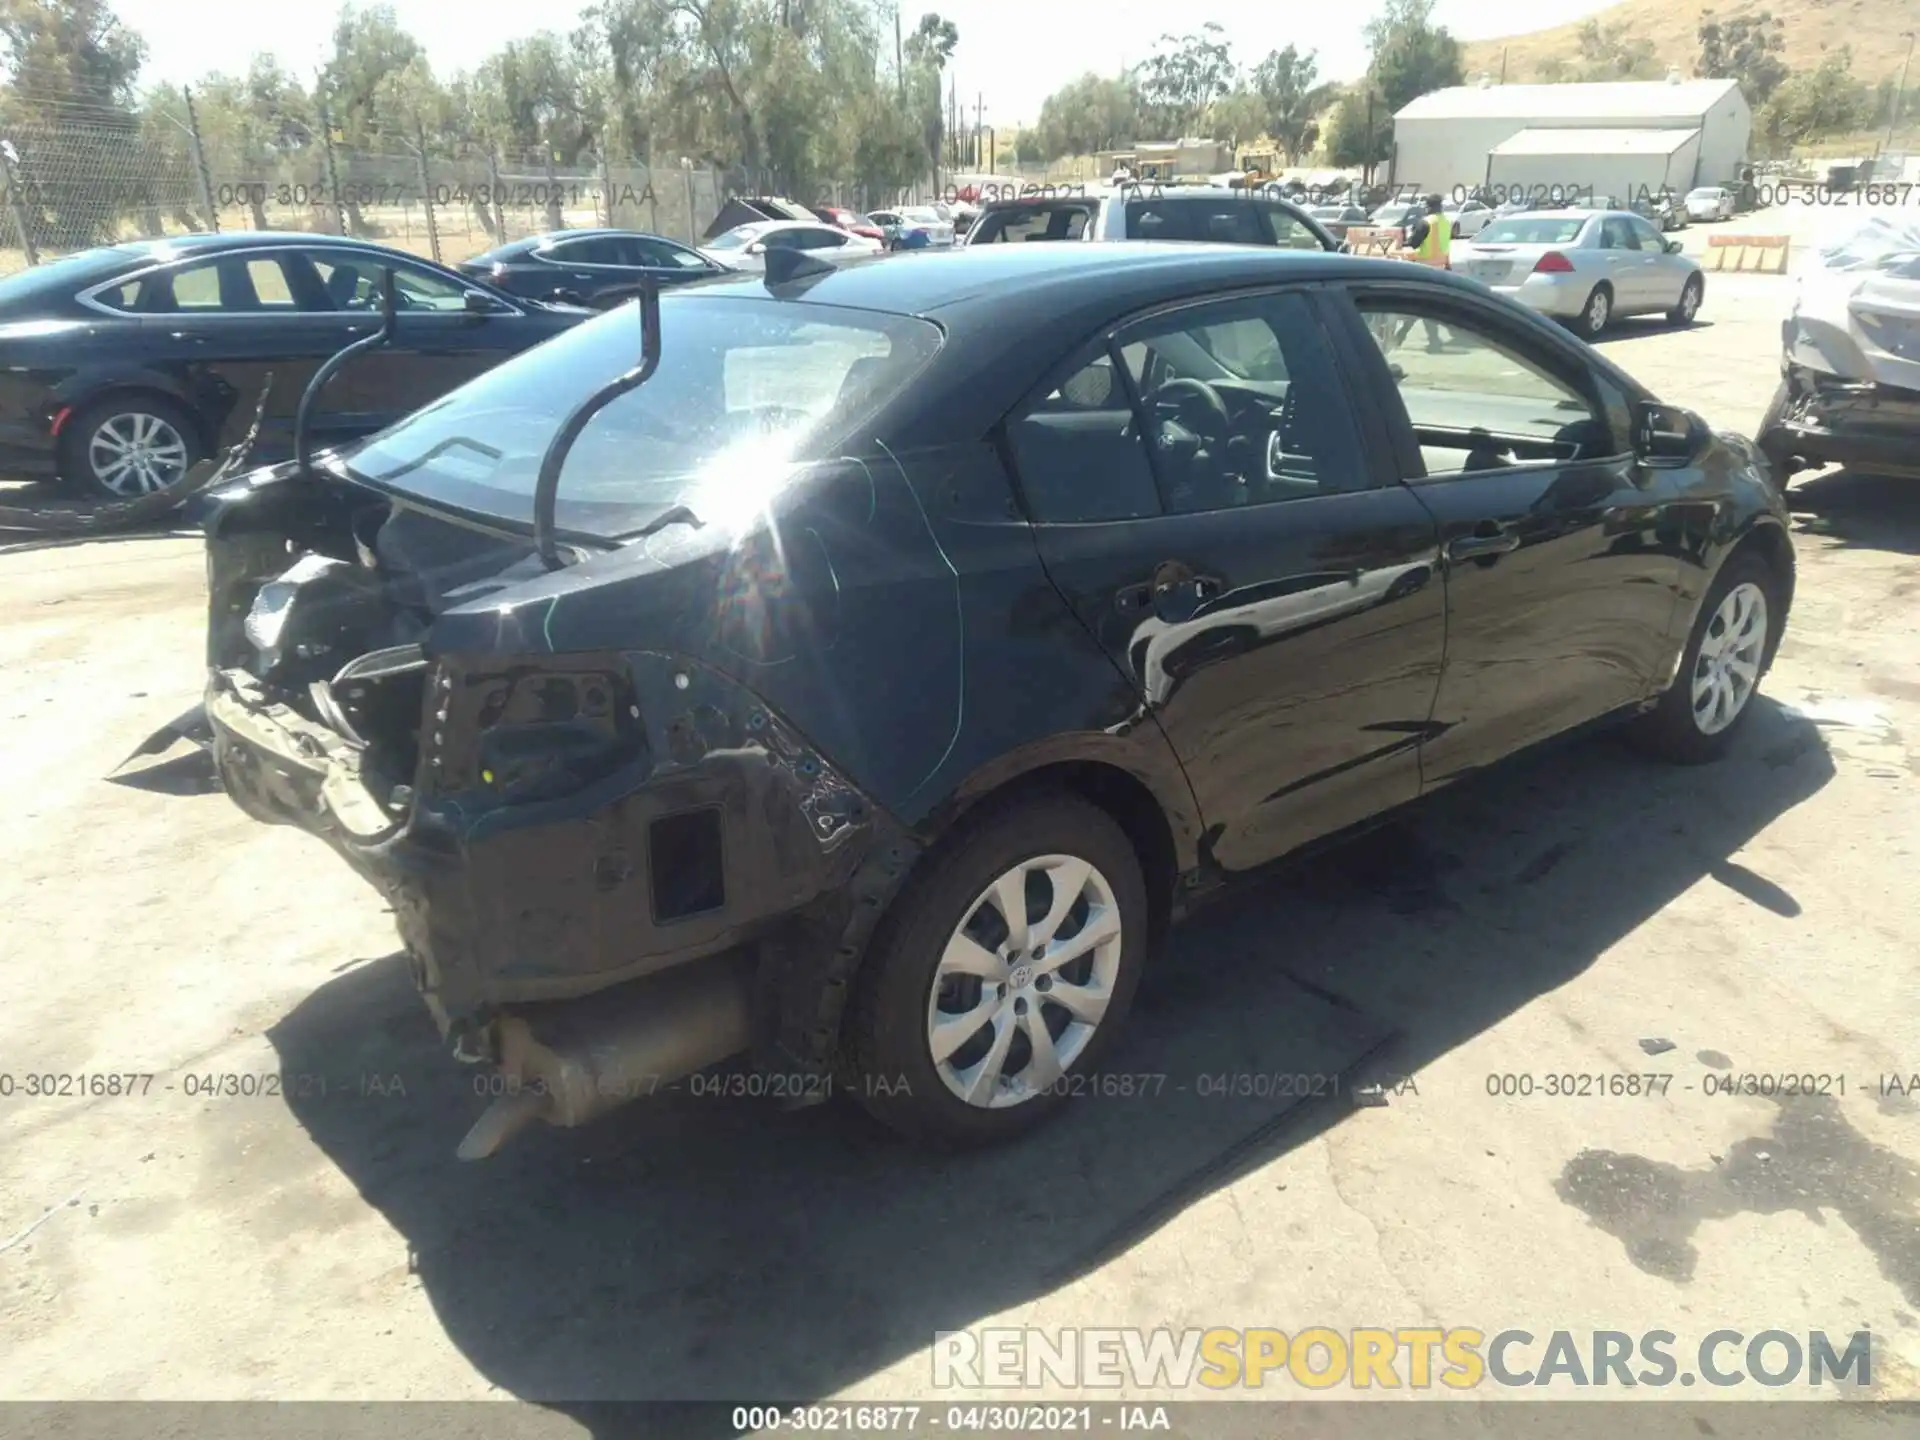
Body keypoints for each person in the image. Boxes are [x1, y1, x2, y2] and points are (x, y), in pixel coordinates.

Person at [1393, 193, 1452, 351]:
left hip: (1424, 267)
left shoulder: (1426, 222)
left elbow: (1414, 243)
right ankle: (1431, 339)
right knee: (1426, 304)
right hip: (1441, 268)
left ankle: (1402, 335)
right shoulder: (1446, 222)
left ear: (1428, 207)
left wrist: (1406, 238)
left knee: (1419, 303)